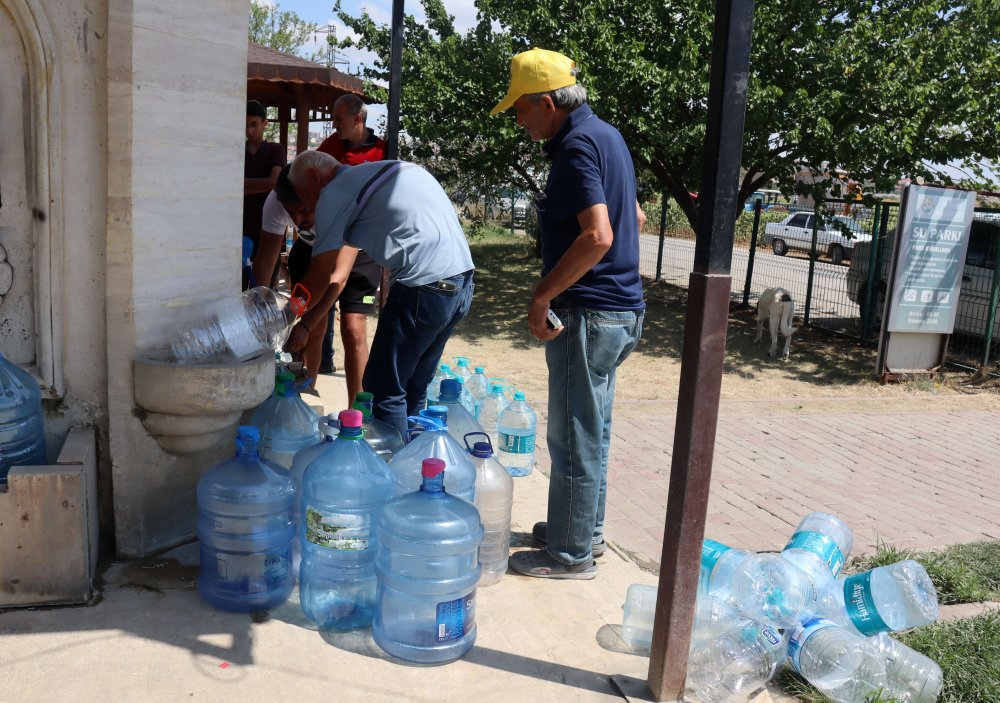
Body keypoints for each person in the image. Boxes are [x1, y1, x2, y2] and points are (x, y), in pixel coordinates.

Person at [490, 48, 645, 580]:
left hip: (592, 313)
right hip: (619, 310)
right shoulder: (606, 136)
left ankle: (570, 554)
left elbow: (599, 235)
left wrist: (542, 295)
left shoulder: (576, 146)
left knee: (574, 434)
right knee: (590, 430)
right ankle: (583, 532)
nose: (519, 120)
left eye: (520, 109)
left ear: (547, 102)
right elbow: (637, 218)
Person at [275, 150, 474, 435]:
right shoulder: (381, 172)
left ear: (314, 177)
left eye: (301, 198)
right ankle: (413, 465)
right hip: (460, 285)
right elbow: (334, 278)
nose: (304, 207)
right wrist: (305, 322)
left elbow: (320, 274)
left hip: (422, 286)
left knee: (382, 391)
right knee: (412, 388)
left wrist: (287, 317)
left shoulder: (333, 193)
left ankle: (386, 473)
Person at [286, 93, 386, 399]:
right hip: (323, 241)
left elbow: (337, 278)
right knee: (313, 323)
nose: (333, 124)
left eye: (338, 119)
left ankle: (358, 407)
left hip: (360, 244)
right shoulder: (329, 147)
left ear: (358, 119)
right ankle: (305, 396)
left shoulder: (382, 151)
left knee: (353, 328)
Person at [243, 99, 286, 289]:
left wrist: (240, 186)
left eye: (254, 124)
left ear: (265, 123)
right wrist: (263, 185)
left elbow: (274, 182)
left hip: (268, 229)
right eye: (245, 125)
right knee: (238, 287)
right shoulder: (236, 150)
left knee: (265, 290)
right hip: (240, 227)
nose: (249, 130)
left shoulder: (276, 150)